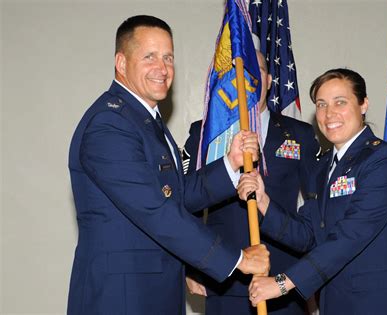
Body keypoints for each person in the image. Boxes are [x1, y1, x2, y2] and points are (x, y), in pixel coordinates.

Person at [67, 15, 270, 315]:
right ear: (121, 64)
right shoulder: (109, 124)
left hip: (153, 291)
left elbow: (175, 194)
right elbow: (155, 210)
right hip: (120, 297)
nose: (162, 68)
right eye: (149, 57)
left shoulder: (145, 120)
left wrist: (230, 163)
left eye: (168, 57)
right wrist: (236, 259)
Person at [238, 68, 387, 314]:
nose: (329, 113)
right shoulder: (323, 166)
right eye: (322, 104)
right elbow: (308, 234)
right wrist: (263, 201)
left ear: (363, 104)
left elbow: (349, 237)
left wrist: (282, 284)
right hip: (335, 304)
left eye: (340, 102)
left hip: (378, 305)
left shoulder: (382, 161)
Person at [183, 51, 319, 314]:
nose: (251, 78)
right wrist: (189, 266)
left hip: (284, 285)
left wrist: (312, 275)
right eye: (241, 71)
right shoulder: (205, 133)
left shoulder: (300, 134)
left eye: (257, 69)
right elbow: (183, 205)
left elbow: (317, 211)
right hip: (223, 281)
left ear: (268, 79)